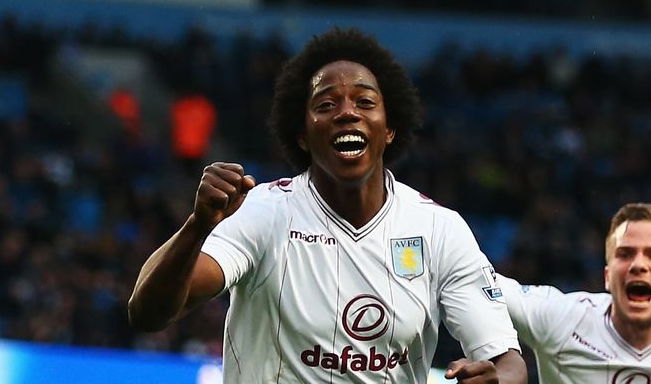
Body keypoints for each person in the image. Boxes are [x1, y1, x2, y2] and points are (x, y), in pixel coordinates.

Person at [128, 27, 526, 383]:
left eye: (365, 102)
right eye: (326, 105)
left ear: (389, 128)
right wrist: (198, 225)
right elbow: (148, 313)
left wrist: (497, 380)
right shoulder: (263, 212)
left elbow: (508, 363)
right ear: (302, 135)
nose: (347, 113)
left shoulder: (439, 229)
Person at [499, 202, 651, 383]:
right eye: (625, 254)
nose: (638, 265)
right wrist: (499, 359)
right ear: (607, 277)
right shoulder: (563, 321)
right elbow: (482, 282)